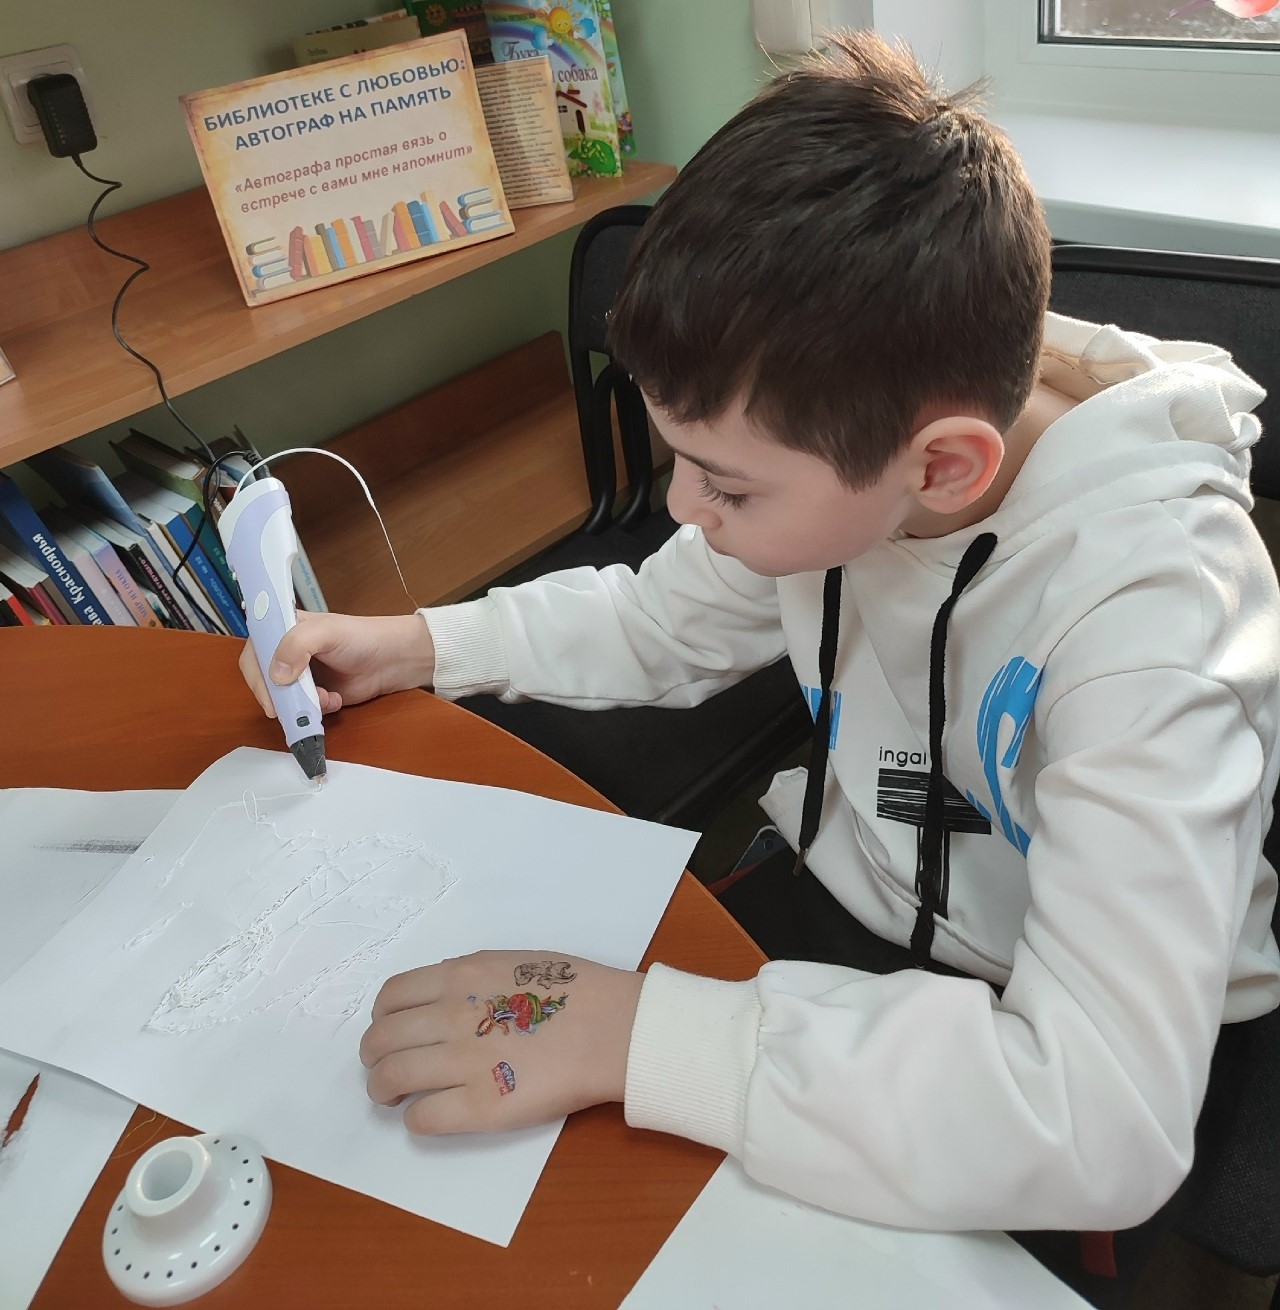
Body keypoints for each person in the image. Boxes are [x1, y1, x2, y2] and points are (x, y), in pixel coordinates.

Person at [240, 31, 1280, 1304]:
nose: (683, 509)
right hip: (850, 904)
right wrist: (421, 643)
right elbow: (658, 618)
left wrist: (637, 1032)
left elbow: (1097, 1119)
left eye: (725, 485)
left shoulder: (1155, 627)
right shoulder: (864, 432)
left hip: (1046, 1013)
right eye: (677, 460)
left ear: (941, 466)